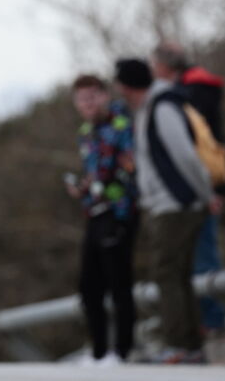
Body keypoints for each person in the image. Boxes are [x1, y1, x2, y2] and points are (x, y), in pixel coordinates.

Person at [115, 58, 219, 364]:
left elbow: (185, 156)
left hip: (176, 205)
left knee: (168, 272)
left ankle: (181, 345)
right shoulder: (149, 108)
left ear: (128, 86)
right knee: (177, 274)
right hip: (166, 204)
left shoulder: (161, 108)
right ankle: (191, 345)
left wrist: (205, 194)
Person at [151, 42, 225, 333]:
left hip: (198, 187)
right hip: (202, 184)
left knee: (201, 256)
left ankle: (211, 322)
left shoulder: (189, 93)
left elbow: (191, 148)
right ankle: (207, 322)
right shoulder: (195, 89)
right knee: (197, 256)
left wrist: (209, 191)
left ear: (164, 66)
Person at [68, 75, 138, 365]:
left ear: (105, 96)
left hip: (120, 212)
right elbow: (96, 174)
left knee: (119, 283)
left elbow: (131, 170)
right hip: (94, 213)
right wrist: (82, 188)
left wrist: (106, 186)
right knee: (89, 286)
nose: (88, 104)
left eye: (93, 96)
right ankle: (99, 351)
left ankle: (122, 351)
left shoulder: (123, 125)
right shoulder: (86, 133)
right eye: (82, 99)